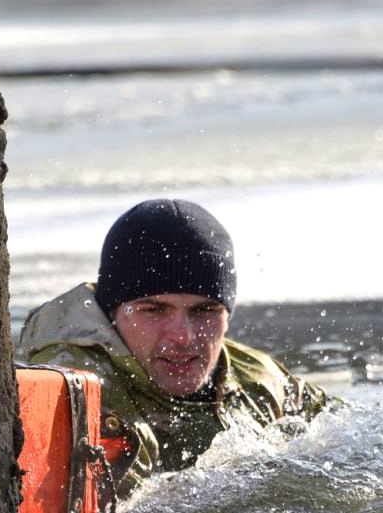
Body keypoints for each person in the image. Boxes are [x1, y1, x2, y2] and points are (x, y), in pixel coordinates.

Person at [17, 198, 332, 497]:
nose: (183, 336)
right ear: (111, 314)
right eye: (153, 310)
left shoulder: (259, 381)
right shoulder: (70, 391)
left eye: (204, 311)